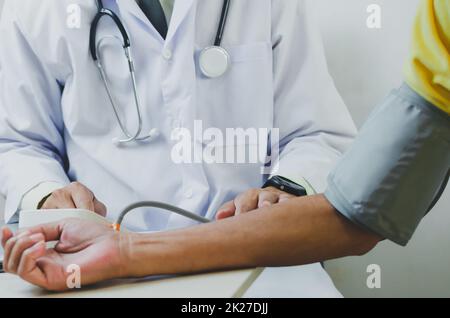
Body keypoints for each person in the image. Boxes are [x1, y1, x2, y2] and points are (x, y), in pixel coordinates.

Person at [2, 0, 448, 291]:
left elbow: (322, 142)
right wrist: (43, 191)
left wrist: (288, 187)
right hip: (93, 258)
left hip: (263, 260)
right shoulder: (37, 11)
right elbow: (16, 142)